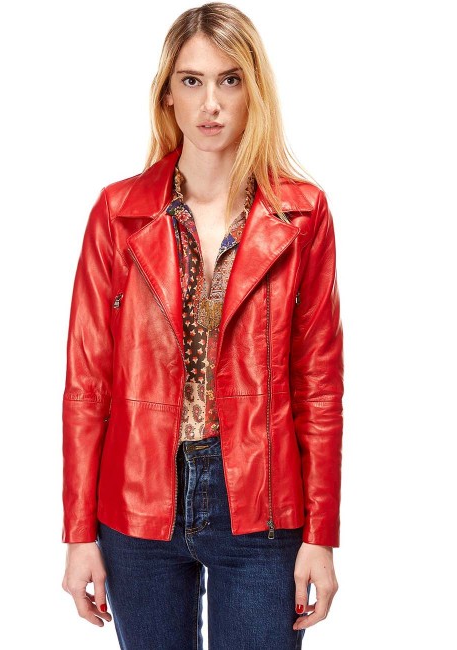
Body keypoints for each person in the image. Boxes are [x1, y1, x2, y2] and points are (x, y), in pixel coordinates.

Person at [61, 3, 344, 648]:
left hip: (262, 503)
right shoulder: (118, 214)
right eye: (192, 80)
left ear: (254, 91)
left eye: (229, 80)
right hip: (136, 500)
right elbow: (86, 385)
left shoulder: (302, 216)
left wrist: (321, 536)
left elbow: (320, 387)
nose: (210, 103)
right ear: (167, 93)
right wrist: (78, 534)